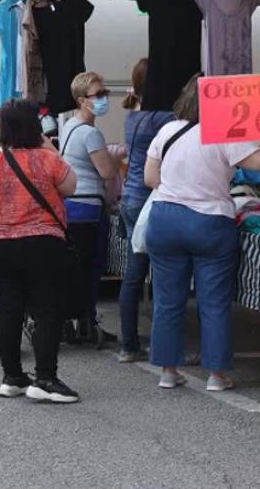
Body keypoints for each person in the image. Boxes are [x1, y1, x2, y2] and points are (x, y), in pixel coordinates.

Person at [144, 76, 260, 391]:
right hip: (209, 223)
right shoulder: (226, 132)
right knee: (214, 302)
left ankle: (168, 371)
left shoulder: (167, 130)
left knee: (168, 300)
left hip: (165, 220)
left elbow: (151, 178)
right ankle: (216, 375)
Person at [0, 99, 80, 403]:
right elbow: (70, 187)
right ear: (36, 128)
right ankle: (45, 377)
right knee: (46, 309)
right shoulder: (47, 159)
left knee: (8, 308)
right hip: (42, 243)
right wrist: (49, 148)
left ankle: (12, 376)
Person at [117, 59, 174, 362]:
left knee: (134, 274)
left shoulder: (133, 115)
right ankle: (164, 347)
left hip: (130, 198)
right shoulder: (160, 118)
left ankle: (129, 344)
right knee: (165, 275)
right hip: (150, 199)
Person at [59, 71, 123, 340]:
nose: (104, 99)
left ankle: (74, 320)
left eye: (104, 93)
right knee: (91, 267)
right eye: (99, 95)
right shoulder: (90, 134)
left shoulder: (68, 127)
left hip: (70, 205)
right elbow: (107, 172)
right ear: (83, 100)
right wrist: (120, 158)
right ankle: (86, 320)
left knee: (74, 267)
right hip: (89, 206)